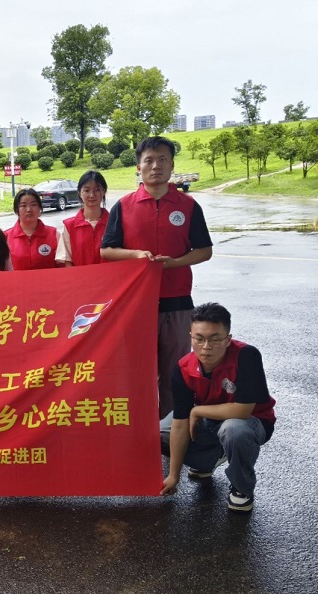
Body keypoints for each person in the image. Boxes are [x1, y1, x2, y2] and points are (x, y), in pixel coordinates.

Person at [100, 137, 213, 419]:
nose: (155, 166)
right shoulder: (124, 206)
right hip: (136, 305)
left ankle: (169, 433)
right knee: (137, 372)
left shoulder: (188, 206)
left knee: (175, 373)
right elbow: (106, 250)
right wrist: (136, 255)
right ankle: (138, 430)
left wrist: (175, 263)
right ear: (138, 167)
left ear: (172, 165)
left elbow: (204, 250)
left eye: (162, 160)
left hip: (177, 303)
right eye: (149, 160)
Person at [160, 303, 276, 513]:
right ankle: (209, 460)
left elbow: (242, 411)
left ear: (228, 339)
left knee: (234, 430)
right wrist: (173, 476)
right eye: (199, 338)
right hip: (210, 420)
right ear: (190, 337)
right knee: (160, 433)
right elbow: (180, 424)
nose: (206, 346)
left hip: (251, 422)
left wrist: (197, 411)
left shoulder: (246, 356)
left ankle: (242, 488)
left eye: (215, 339)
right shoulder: (183, 368)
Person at [55, 170, 109, 266]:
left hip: (109, 275)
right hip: (80, 276)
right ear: (80, 193)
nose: (92, 195)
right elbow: (67, 261)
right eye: (87, 190)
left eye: (97, 190)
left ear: (103, 191)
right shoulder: (70, 226)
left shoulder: (114, 223)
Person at [5, 188, 61, 270]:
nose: (29, 209)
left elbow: (63, 268)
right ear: (17, 210)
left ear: (40, 208)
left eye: (33, 204)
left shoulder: (54, 235)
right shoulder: (5, 237)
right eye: (23, 205)